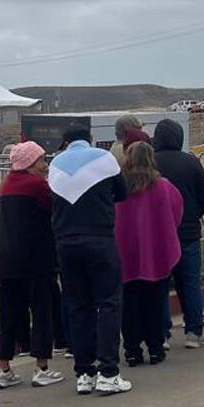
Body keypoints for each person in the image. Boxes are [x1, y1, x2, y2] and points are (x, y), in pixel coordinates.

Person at [50, 125, 131, 392]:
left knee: (78, 306)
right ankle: (108, 372)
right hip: (99, 238)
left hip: (65, 242)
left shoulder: (56, 163)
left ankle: (83, 374)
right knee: (108, 303)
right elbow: (122, 192)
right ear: (90, 139)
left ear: (65, 142)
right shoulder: (103, 158)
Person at [0, 141, 63, 389]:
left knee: (8, 315)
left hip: (6, 261)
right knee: (42, 312)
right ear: (31, 163)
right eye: (42, 160)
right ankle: (41, 367)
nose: (45, 165)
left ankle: (4, 368)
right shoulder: (37, 186)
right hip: (35, 261)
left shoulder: (6, 186)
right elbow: (54, 212)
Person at [114, 141, 183, 366]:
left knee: (129, 303)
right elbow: (176, 212)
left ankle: (132, 351)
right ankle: (155, 348)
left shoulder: (119, 186)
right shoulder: (163, 186)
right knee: (155, 301)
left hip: (125, 252)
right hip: (156, 251)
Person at [152, 119, 204, 348]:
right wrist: (194, 213)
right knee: (190, 283)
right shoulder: (190, 162)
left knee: (160, 284)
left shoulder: (151, 163)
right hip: (188, 232)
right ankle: (194, 332)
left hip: (159, 234)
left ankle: (163, 334)